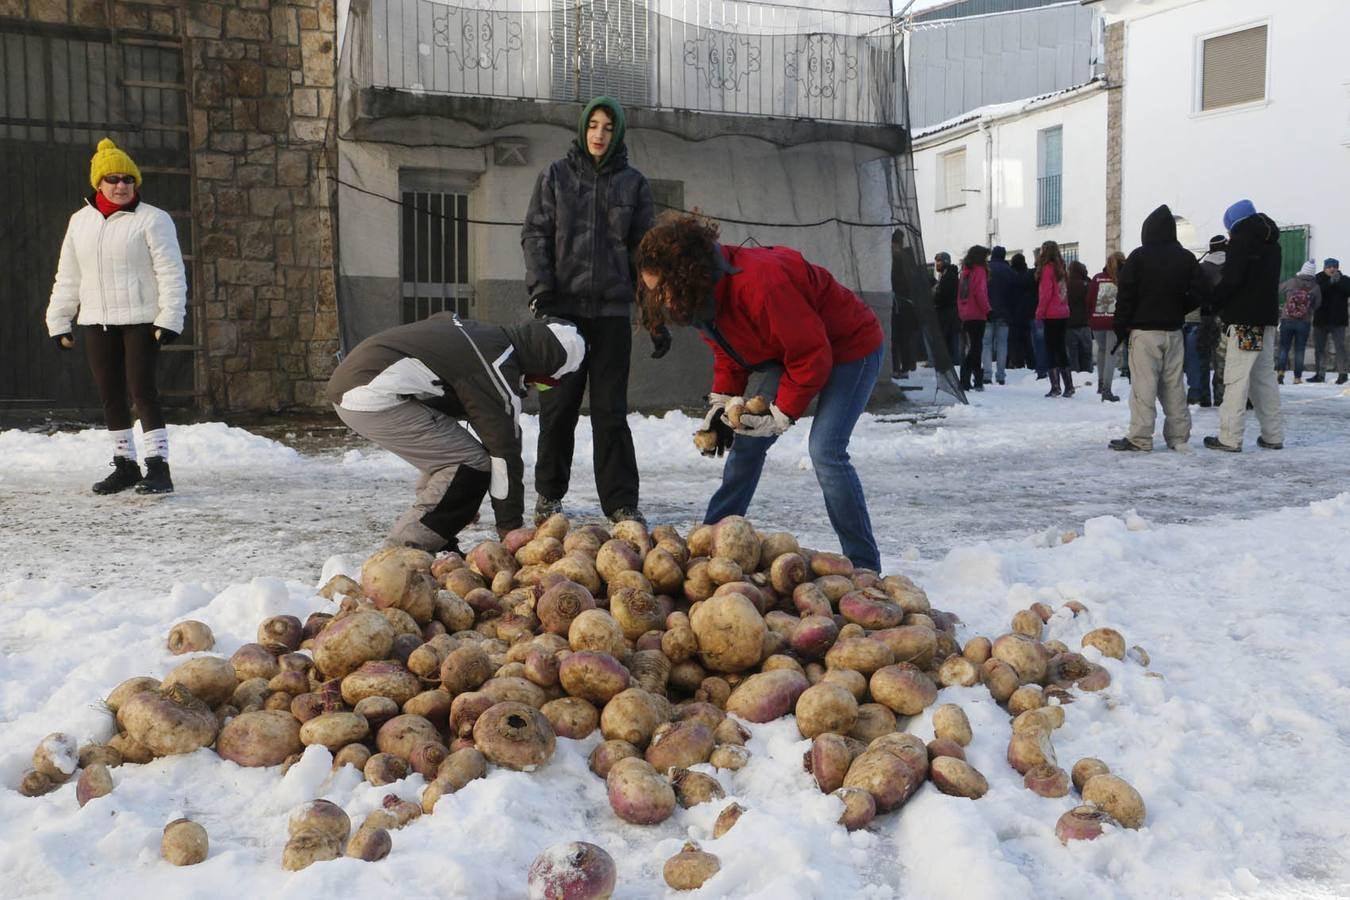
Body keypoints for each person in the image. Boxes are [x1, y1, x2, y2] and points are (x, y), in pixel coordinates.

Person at [635, 212, 884, 571]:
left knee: (826, 451)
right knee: (747, 440)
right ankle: (712, 539)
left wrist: (781, 414)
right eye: (655, 292)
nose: (663, 300)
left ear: (686, 272)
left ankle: (864, 566)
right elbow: (730, 352)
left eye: (664, 289)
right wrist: (722, 405)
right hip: (794, 352)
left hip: (851, 348)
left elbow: (812, 354)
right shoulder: (702, 297)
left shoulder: (761, 284)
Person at [327, 314, 585, 553]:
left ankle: (438, 537)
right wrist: (509, 528)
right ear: (541, 364)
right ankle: (401, 554)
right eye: (543, 383)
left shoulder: (485, 337)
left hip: (355, 381)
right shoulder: (496, 365)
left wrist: (459, 501)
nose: (535, 388)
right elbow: (504, 453)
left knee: (457, 462)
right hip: (369, 395)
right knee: (469, 465)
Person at [522, 95, 658, 524]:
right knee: (558, 408)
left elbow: (645, 254)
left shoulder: (633, 185)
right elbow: (536, 236)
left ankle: (620, 502)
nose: (600, 134)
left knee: (610, 411)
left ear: (618, 134)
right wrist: (542, 293)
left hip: (612, 314)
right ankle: (549, 495)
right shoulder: (556, 177)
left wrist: (653, 314)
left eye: (608, 127)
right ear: (583, 129)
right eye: (594, 125)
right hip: (563, 313)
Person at [45, 138, 187, 495]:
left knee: (143, 392)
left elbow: (171, 272)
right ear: (99, 183)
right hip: (97, 321)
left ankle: (159, 468)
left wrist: (170, 318)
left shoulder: (153, 219)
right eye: (113, 179)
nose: (121, 185)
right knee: (110, 394)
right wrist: (59, 320)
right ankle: (126, 466)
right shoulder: (80, 222)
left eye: (128, 179)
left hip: (141, 320)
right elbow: (69, 275)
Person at [1109, 204, 1207, 452]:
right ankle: (1178, 437)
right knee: (1174, 385)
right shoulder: (1186, 258)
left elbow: (1125, 297)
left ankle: (1140, 438)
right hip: (1174, 332)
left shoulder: (1138, 257)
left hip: (1144, 333)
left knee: (1144, 386)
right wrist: (1180, 308)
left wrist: (1121, 328)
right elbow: (1200, 291)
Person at [1204, 199, 1284, 452]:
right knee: (1264, 378)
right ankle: (1273, 435)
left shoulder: (1241, 242)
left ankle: (1229, 437)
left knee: (1236, 378)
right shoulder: (1273, 243)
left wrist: (1213, 301)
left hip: (1245, 322)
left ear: (1233, 224)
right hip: (1267, 319)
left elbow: (1232, 280)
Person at [1035, 241, 1073, 397]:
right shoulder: (1061, 268)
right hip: (1063, 312)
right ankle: (1069, 386)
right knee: (1061, 348)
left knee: (1051, 349)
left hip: (1051, 313)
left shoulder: (1047, 269)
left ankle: (1055, 386)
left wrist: (1039, 313)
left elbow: (1046, 294)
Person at [1087, 251, 1126, 402]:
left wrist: (1091, 317)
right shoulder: (1122, 279)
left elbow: (1089, 300)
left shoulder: (1097, 278)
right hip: (1114, 322)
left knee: (1102, 350)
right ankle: (1106, 390)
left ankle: (1100, 383)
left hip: (1097, 322)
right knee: (1111, 354)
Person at [1275, 261, 1321, 384]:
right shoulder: (1315, 287)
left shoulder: (1291, 282)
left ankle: (1280, 373)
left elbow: (1277, 290)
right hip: (1304, 322)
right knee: (1300, 350)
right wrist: (1307, 309)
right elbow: (1317, 304)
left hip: (1287, 319)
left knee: (1284, 347)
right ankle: (1297, 378)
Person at [1196, 235, 1228, 406]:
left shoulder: (1201, 267)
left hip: (1204, 316)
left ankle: (1204, 397)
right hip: (1224, 317)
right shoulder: (1231, 265)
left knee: (1203, 358)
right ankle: (1220, 396)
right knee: (1221, 359)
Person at [957, 245, 991, 391]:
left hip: (966, 314)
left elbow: (961, 294)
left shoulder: (965, 271)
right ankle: (967, 379)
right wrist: (988, 310)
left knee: (972, 347)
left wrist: (962, 311)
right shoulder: (980, 271)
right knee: (976, 348)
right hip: (977, 313)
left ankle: (976, 380)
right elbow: (980, 292)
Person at [889, 230, 921, 378]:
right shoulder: (908, 259)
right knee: (904, 338)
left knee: (897, 338)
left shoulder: (895, 260)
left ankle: (898, 367)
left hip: (899, 303)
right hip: (907, 304)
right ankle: (906, 367)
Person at [1311, 258, 1348, 384]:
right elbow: (1316, 292)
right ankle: (1320, 374)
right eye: (1329, 267)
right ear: (1324, 268)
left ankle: (1342, 374)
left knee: (1340, 347)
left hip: (1338, 320)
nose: (1332, 269)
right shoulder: (1318, 279)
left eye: (1334, 267)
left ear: (1338, 268)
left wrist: (1339, 281)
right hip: (1321, 319)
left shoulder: (1344, 279)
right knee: (1320, 348)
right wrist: (1330, 282)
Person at [983, 246, 1012, 385]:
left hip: (987, 312)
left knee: (986, 344)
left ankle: (987, 374)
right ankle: (1001, 375)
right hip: (1005, 313)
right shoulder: (1009, 271)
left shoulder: (986, 269)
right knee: (1002, 344)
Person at [1006, 252, 1037, 370]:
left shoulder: (1011, 278)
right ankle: (1032, 364)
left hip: (1014, 314)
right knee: (1029, 342)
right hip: (1029, 313)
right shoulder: (1030, 276)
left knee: (1015, 341)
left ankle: (1018, 363)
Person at [932, 251, 961, 366]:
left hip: (949, 314)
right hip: (947, 314)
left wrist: (936, 297)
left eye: (939, 261)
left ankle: (954, 365)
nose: (937, 264)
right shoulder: (945, 275)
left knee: (951, 341)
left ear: (945, 262)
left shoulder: (949, 276)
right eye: (936, 261)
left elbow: (945, 295)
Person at [1066, 260, 1094, 372]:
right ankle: (1087, 375)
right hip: (1085, 324)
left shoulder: (1065, 284)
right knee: (1086, 354)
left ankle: (1075, 376)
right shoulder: (1087, 284)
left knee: (1072, 355)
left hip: (1069, 325)